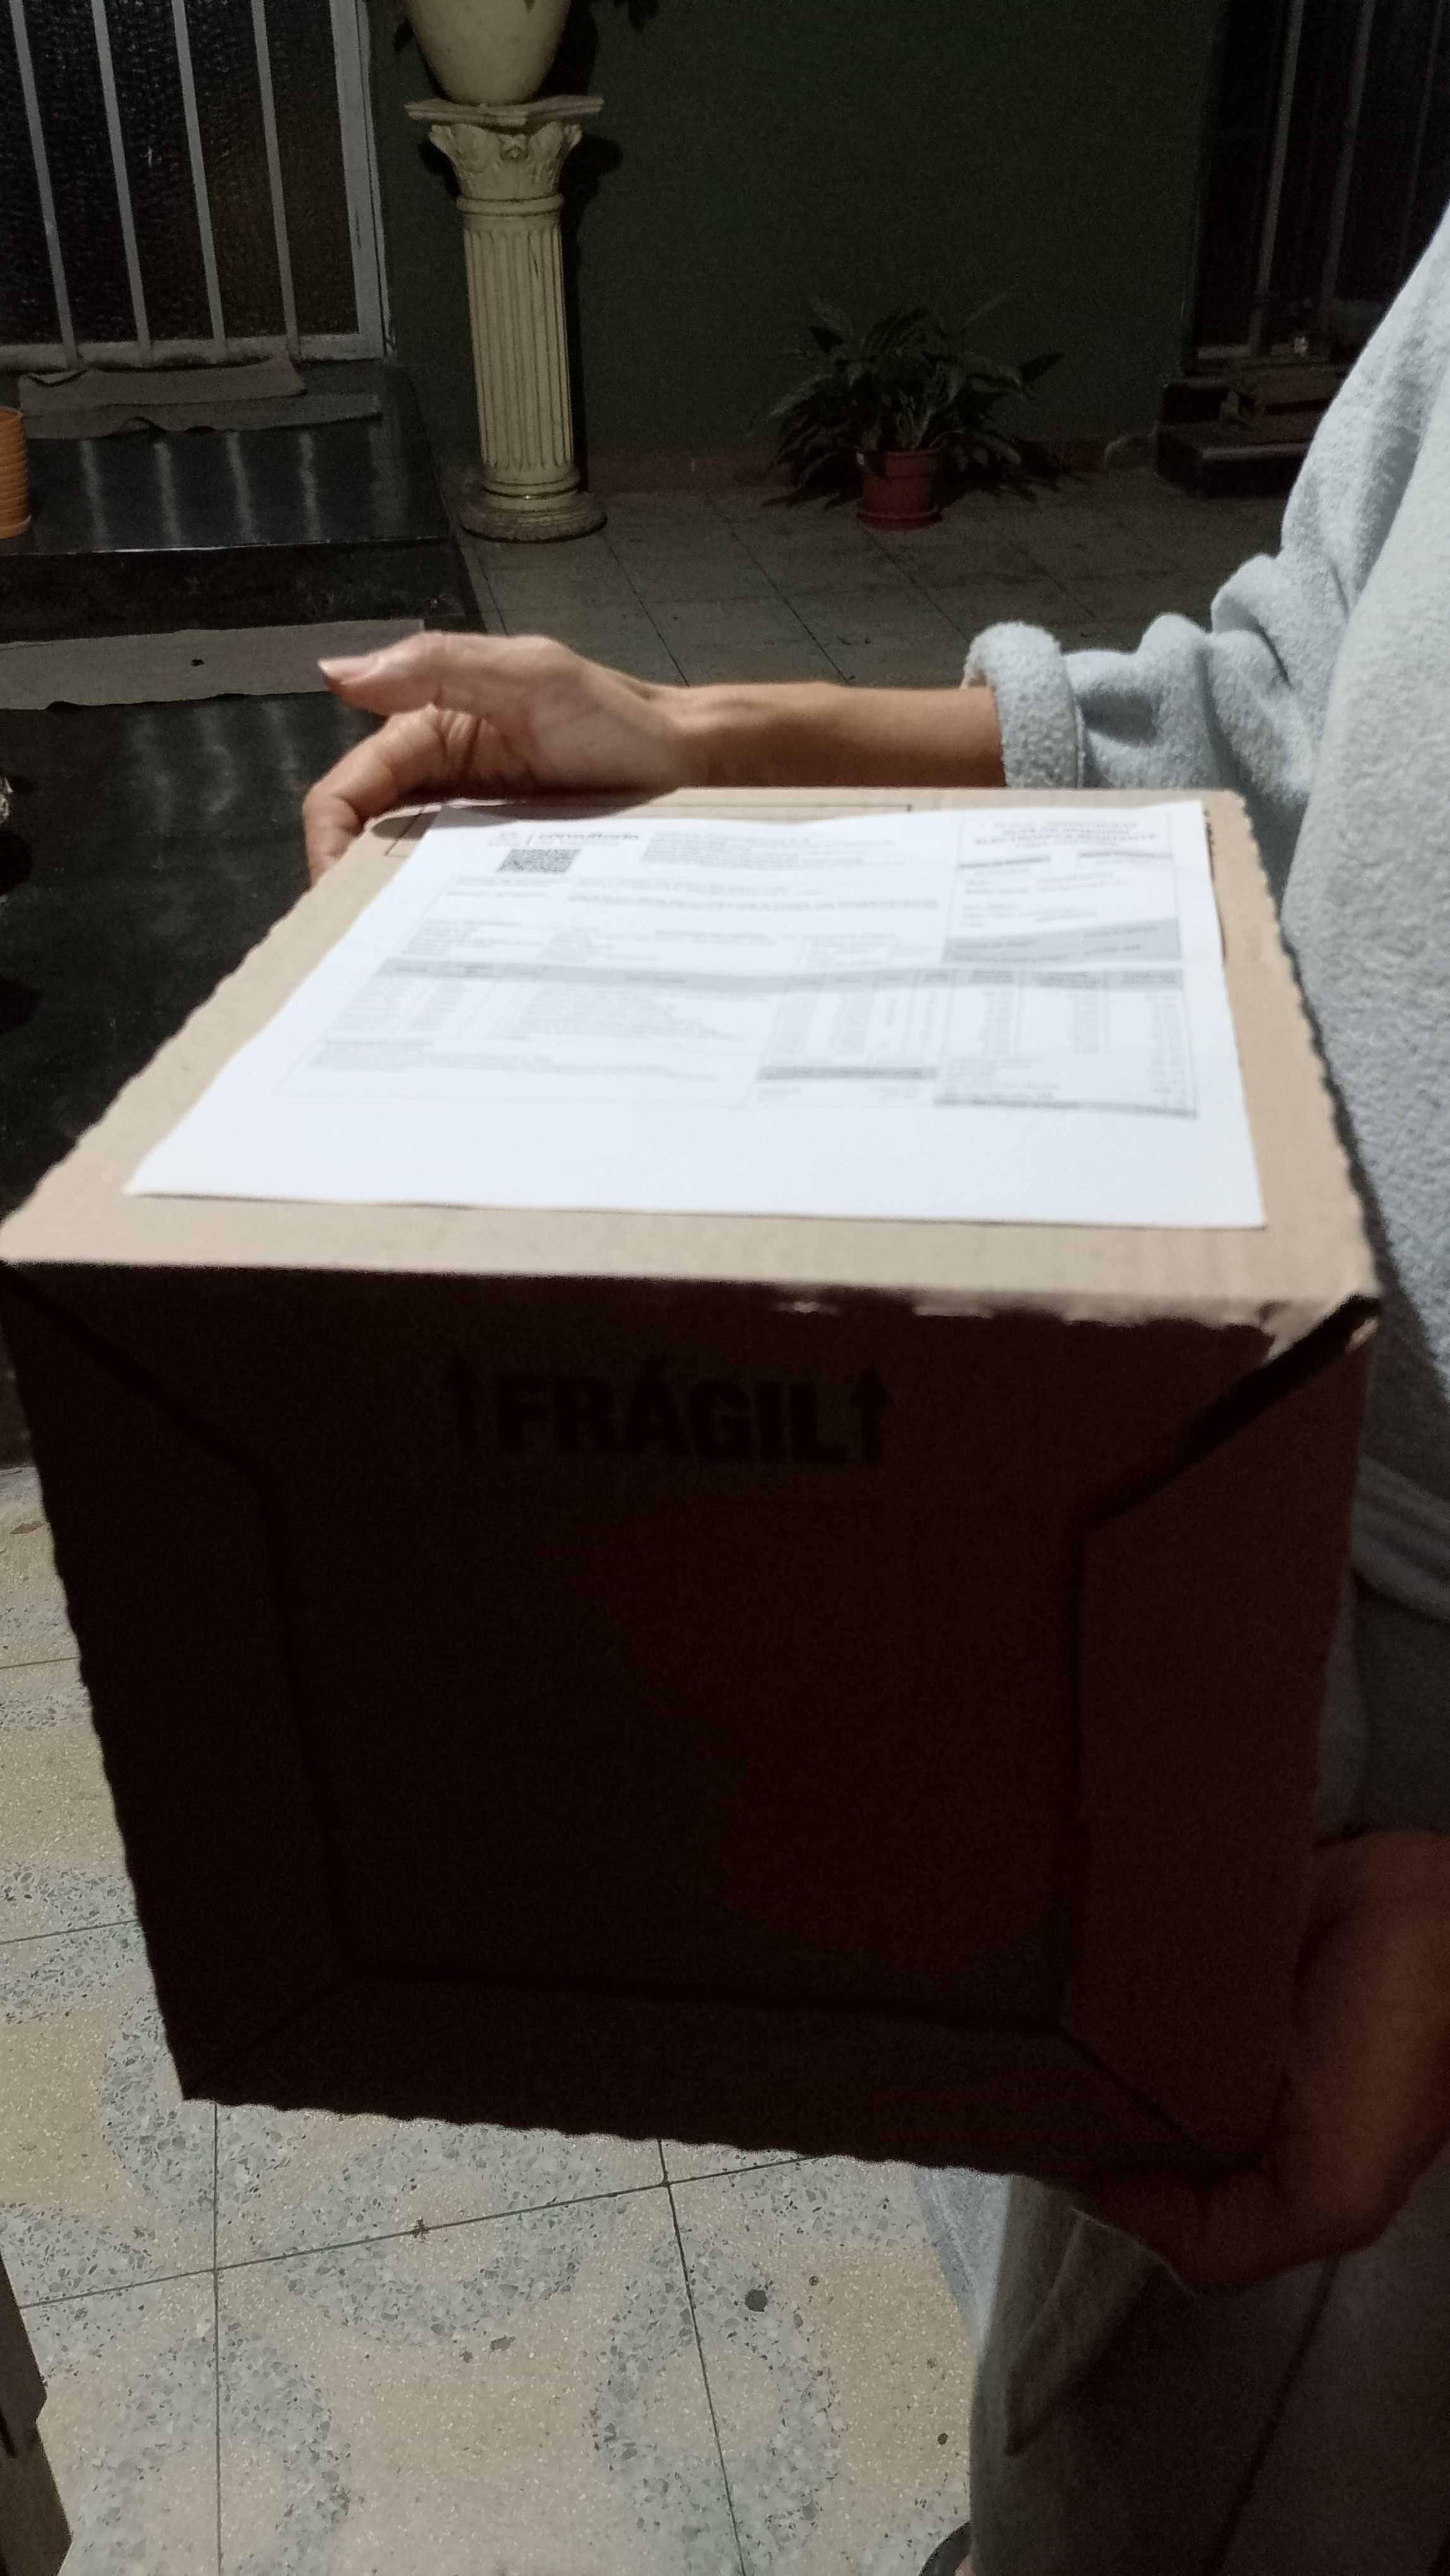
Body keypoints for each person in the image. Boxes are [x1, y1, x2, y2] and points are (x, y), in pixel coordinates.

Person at [304, 205, 1450, 2574]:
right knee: (1104, 2431)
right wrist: (704, 737)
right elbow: (1293, 711)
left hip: (1418, 1855)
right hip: (1271, 1552)